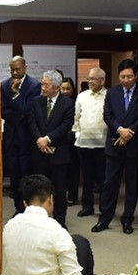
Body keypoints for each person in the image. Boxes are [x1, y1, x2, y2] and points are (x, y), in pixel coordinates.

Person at [3, 174, 98, 275]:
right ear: (50, 200)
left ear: (25, 203)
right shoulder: (56, 231)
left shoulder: (9, 226)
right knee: (81, 243)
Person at [92, 59, 138, 235]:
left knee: (132, 185)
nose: (126, 80)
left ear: (136, 76)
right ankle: (105, 219)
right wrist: (120, 130)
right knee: (109, 184)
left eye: (129, 76)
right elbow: (107, 115)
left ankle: (127, 220)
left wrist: (128, 133)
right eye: (122, 76)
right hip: (114, 144)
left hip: (134, 145)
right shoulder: (112, 92)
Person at [27, 70, 75, 227]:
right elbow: (32, 123)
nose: (42, 87)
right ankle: (41, 222)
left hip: (59, 154)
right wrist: (40, 140)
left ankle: (60, 222)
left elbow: (66, 126)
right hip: (39, 153)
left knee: (59, 190)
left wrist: (48, 139)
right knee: (40, 189)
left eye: (46, 84)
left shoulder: (68, 104)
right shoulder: (36, 101)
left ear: (56, 87)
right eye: (42, 83)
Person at [0, 56, 41, 215]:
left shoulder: (35, 85)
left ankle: (29, 209)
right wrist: (19, 115)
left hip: (28, 137)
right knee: (14, 174)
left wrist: (16, 95)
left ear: (25, 67)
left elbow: (29, 110)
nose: (15, 72)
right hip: (11, 136)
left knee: (27, 173)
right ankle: (18, 208)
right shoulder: (4, 85)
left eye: (17, 69)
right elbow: (3, 110)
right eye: (12, 69)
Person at [73, 67, 107, 219]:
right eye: (89, 78)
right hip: (84, 142)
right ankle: (87, 207)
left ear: (102, 80)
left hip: (103, 144)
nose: (90, 81)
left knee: (103, 178)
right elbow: (76, 117)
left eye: (93, 79)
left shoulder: (109, 95)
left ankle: (105, 208)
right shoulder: (82, 96)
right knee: (86, 178)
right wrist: (78, 133)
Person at [60, 77, 80, 206]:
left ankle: (72, 196)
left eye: (68, 88)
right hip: (60, 139)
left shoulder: (77, 101)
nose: (65, 91)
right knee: (62, 169)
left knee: (73, 168)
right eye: (63, 88)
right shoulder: (57, 102)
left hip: (73, 138)